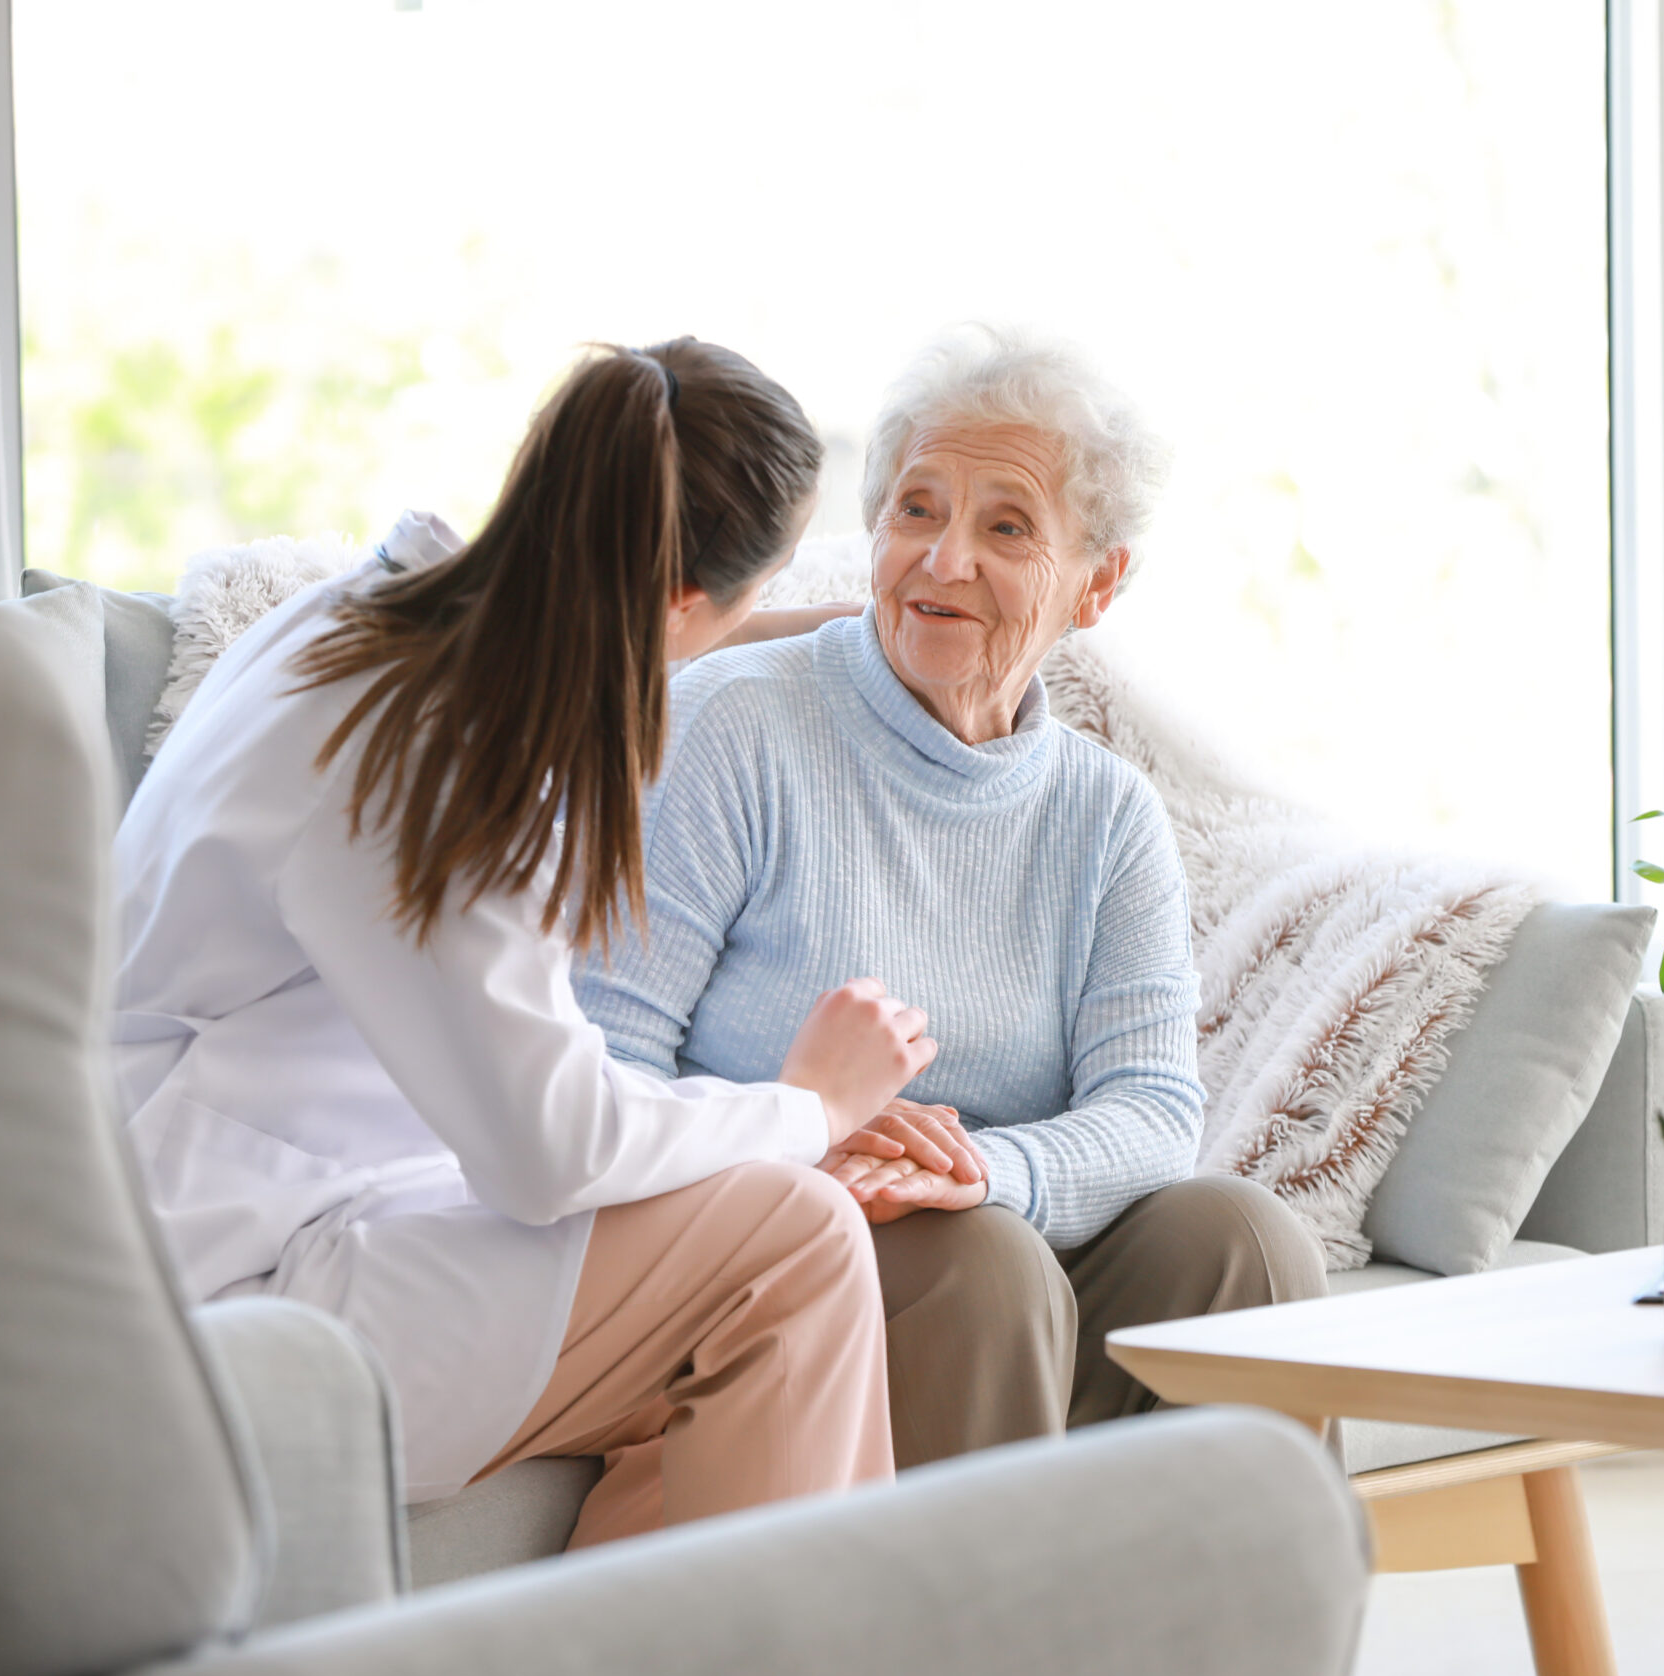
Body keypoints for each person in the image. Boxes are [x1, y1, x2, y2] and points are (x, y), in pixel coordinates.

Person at [111, 338, 943, 1546]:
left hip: (249, 1203)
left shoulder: (354, 622)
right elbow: (550, 1154)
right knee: (790, 1242)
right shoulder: (437, 763)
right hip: (229, 1291)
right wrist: (809, 1105)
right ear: (680, 602)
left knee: (730, 1256)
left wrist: (803, 635)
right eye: (742, 606)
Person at [575, 326, 1326, 1471]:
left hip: (993, 1245)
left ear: (1099, 583)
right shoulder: (734, 728)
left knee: (1244, 1242)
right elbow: (603, 1064)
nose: (943, 561)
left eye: (1007, 527)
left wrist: (982, 1174)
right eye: (916, 510)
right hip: (773, 1245)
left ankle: (1225, 1635)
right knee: (978, 1264)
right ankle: (973, 1637)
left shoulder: (1105, 814)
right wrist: (802, 1142)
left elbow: (1154, 1115)